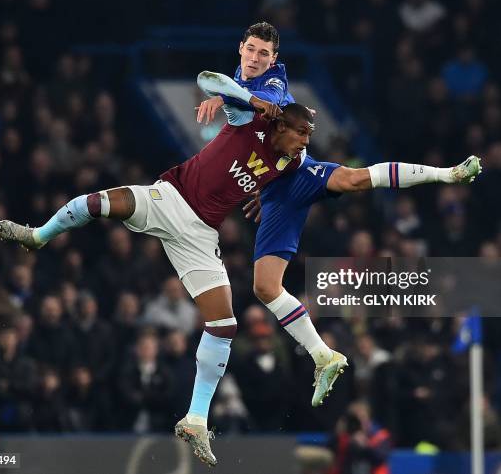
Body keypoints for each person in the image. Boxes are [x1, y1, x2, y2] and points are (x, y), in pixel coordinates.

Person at [0, 22, 312, 466]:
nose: (256, 58)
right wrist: (231, 98)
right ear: (241, 48)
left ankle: (196, 420)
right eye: (251, 50)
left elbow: (270, 111)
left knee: (224, 326)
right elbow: (209, 80)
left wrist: (250, 119)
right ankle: (38, 236)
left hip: (201, 234)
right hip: (172, 197)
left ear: (273, 61)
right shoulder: (247, 103)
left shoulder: (276, 106)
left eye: (264, 54)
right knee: (102, 201)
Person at [197, 90, 482, 410]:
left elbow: (218, 83)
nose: (306, 140)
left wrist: (226, 98)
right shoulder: (256, 113)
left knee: (356, 178)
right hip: (278, 197)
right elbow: (211, 80)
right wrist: (223, 99)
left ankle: (448, 173)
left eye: (309, 133)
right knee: (264, 287)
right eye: (301, 133)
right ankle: (323, 356)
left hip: (302, 177)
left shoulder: (272, 97)